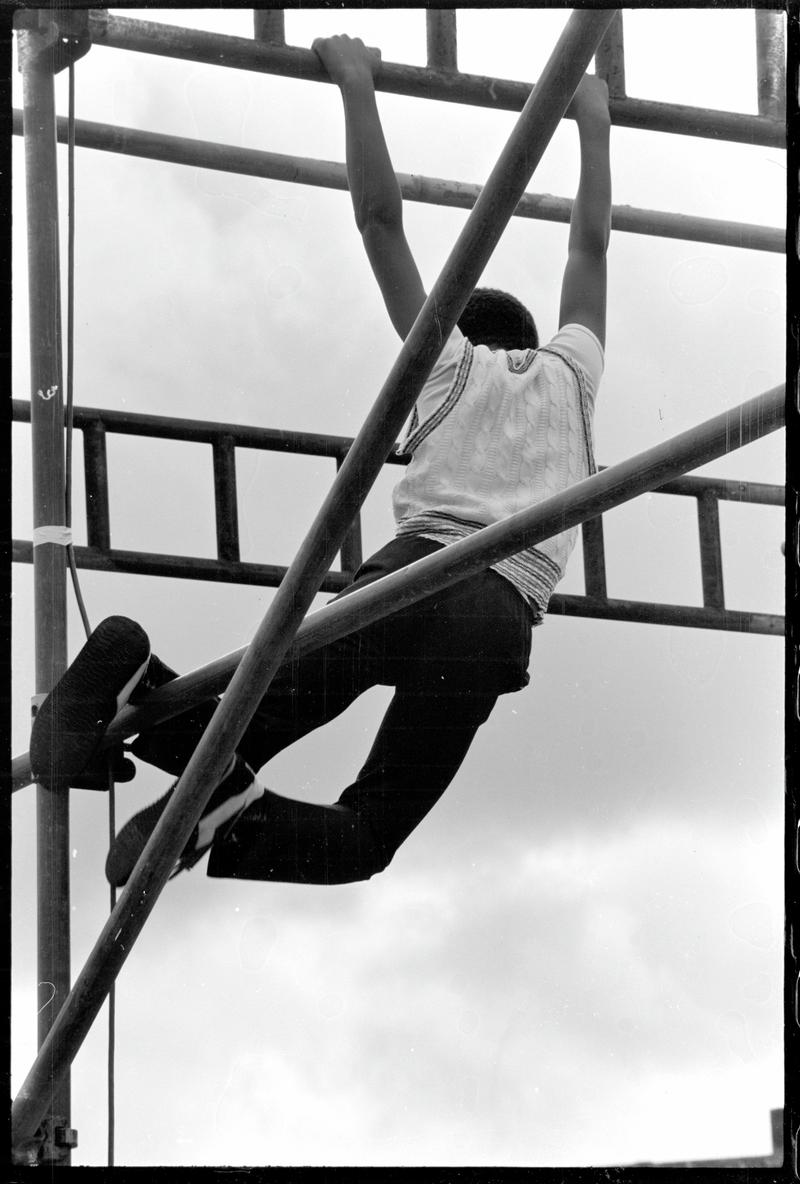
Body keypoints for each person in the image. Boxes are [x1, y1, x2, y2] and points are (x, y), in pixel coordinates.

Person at [29, 37, 611, 888]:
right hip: (494, 622)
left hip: (409, 577)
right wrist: (594, 122)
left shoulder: (444, 362)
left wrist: (356, 82)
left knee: (235, 728)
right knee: (366, 836)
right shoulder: (573, 377)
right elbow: (589, 248)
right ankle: (225, 810)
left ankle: (147, 701)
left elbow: (381, 222)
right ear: (535, 341)